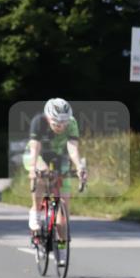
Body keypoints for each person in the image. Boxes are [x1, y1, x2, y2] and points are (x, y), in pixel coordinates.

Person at [25, 98, 87, 241]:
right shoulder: (38, 121)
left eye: (64, 123)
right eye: (56, 123)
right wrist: (33, 168)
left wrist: (79, 166)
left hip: (60, 155)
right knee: (42, 173)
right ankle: (35, 211)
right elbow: (35, 148)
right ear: (48, 117)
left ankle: (61, 245)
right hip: (38, 155)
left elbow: (72, 149)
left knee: (64, 201)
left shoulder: (72, 123)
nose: (60, 126)